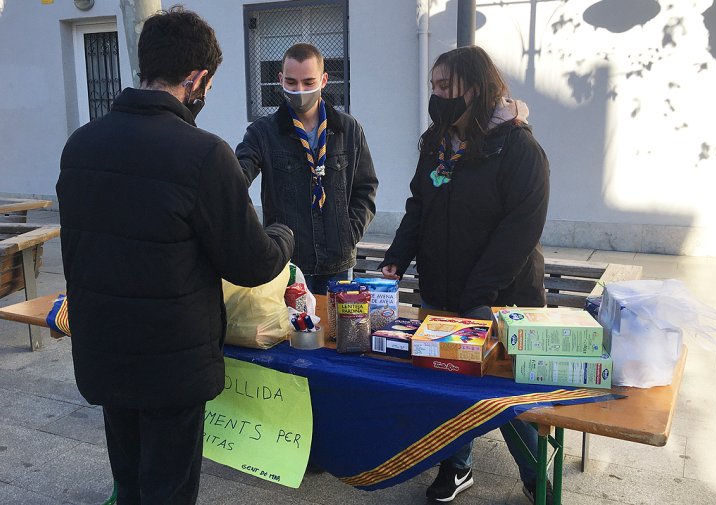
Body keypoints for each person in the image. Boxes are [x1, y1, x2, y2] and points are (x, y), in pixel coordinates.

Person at [57, 7, 294, 504]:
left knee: (129, 479)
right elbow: (250, 264)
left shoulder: (81, 145)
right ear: (197, 79)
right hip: (171, 364)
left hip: (104, 349)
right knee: (169, 486)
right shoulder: (204, 154)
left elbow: (79, 248)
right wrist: (282, 235)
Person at [379, 46, 551, 504]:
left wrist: (479, 294)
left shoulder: (518, 147)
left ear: (474, 89)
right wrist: (398, 256)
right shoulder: (437, 141)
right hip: (442, 289)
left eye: (444, 86)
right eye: (432, 86)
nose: (435, 95)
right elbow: (420, 204)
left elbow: (521, 229)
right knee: (446, 387)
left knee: (505, 399)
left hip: (501, 296)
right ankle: (457, 466)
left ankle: (538, 477)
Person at [236, 43, 378, 295]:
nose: (300, 90)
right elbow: (236, 178)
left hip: (338, 261)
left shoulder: (349, 129)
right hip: (289, 262)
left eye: (308, 81)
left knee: (337, 332)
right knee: (294, 333)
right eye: (291, 82)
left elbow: (365, 188)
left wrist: (349, 233)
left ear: (324, 80)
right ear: (280, 79)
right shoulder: (262, 132)